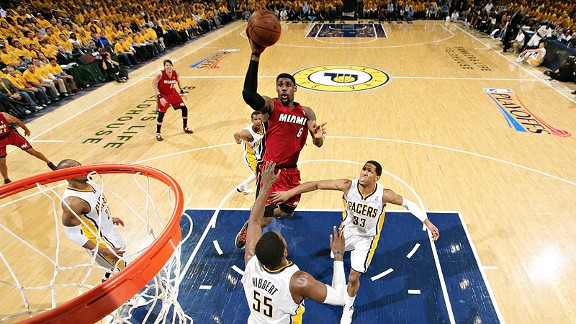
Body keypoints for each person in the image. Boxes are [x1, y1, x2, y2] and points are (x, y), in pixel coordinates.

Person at [270, 160, 440, 324]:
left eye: (369, 170)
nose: (364, 172)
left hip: (366, 239)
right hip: (348, 232)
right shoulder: (347, 186)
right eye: (363, 169)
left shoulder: (384, 194)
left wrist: (428, 222)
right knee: (335, 254)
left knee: (353, 276)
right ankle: (341, 260)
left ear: (377, 178)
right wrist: (288, 193)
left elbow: (409, 204)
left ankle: (348, 307)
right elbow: (316, 185)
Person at [234, 32, 327, 248]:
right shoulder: (271, 106)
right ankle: (251, 225)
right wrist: (255, 56)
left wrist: (318, 137)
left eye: (287, 84)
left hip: (292, 171)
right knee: (264, 219)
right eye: (280, 85)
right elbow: (249, 94)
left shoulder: (307, 112)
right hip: (270, 170)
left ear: (295, 88)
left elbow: (318, 142)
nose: (283, 87)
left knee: (287, 211)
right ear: (277, 89)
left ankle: (257, 214)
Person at [242, 161, 347, 323]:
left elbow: (254, 221)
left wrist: (266, 185)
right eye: (282, 238)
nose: (280, 233)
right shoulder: (298, 281)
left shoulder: (251, 260)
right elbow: (340, 298)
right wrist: (339, 255)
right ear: (285, 252)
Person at [57, 159, 126, 280]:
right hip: (98, 241)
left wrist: (109, 219)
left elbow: (96, 209)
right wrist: (103, 250)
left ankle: (108, 277)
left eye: (80, 165)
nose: (81, 168)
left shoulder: (90, 183)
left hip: (109, 231)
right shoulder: (73, 202)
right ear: (67, 175)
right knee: (124, 270)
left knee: (118, 266)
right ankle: (128, 297)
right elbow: (72, 234)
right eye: (75, 167)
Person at [0, 112, 57, 184]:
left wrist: (26, 129)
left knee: (31, 151)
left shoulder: (4, 116)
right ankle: (6, 179)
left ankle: (49, 163)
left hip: (11, 135)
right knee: (2, 161)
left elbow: (17, 121)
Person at [152, 59, 193, 141]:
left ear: (172, 66)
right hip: (163, 95)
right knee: (161, 114)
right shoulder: (160, 74)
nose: (168, 67)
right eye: (166, 65)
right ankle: (158, 133)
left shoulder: (175, 73)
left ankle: (185, 127)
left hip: (173, 93)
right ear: (164, 67)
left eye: (170, 65)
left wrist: (182, 91)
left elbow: (178, 81)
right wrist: (160, 96)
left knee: (184, 108)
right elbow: (153, 84)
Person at [234, 111, 264, 195]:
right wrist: (238, 141)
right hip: (251, 156)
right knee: (261, 175)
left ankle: (243, 185)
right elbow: (236, 134)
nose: (258, 121)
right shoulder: (247, 133)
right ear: (252, 120)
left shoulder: (265, 127)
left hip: (261, 154)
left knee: (261, 172)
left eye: (260, 119)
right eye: (255, 119)